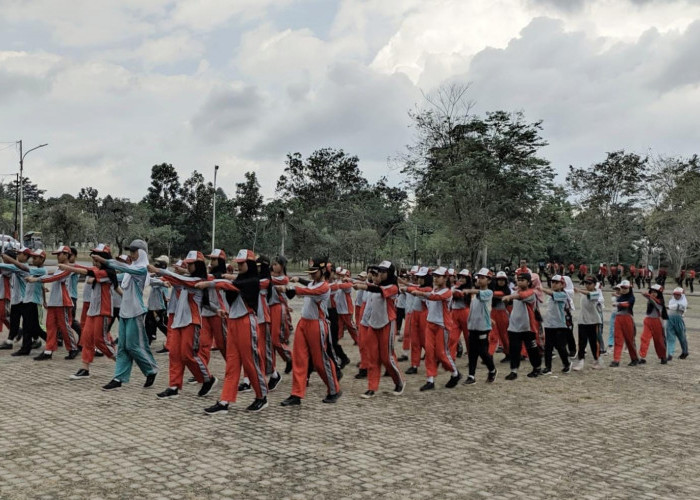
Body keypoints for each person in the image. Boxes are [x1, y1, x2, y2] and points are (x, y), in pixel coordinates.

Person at [201, 249, 269, 415]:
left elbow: (230, 285)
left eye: (242, 263)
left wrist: (210, 283)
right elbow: (230, 284)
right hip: (233, 322)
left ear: (250, 264)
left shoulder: (253, 280)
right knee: (231, 364)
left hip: (247, 322)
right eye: (237, 263)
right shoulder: (240, 279)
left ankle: (262, 396)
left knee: (251, 363)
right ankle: (224, 401)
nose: (239, 266)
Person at [149, 250, 218, 399]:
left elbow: (179, 279)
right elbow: (175, 279)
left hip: (192, 322)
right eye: (188, 263)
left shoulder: (198, 281)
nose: (189, 266)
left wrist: (160, 270)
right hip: (179, 321)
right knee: (174, 354)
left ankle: (208, 379)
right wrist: (157, 274)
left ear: (198, 265)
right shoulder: (186, 278)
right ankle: (173, 386)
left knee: (188, 355)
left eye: (191, 264)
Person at [96, 239, 159, 391]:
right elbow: (112, 276)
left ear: (142, 252)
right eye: (130, 251)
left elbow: (124, 269)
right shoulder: (129, 271)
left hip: (136, 311)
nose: (131, 254)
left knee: (134, 345)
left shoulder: (142, 269)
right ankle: (119, 378)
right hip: (125, 311)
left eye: (134, 251)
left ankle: (151, 369)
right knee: (123, 346)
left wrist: (106, 261)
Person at [279, 257, 342, 407]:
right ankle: (296, 394)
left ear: (322, 271)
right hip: (303, 323)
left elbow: (309, 290)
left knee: (321, 361)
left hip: (317, 325)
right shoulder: (314, 283)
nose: (312, 275)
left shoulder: (324, 287)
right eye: (311, 272)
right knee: (299, 359)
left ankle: (334, 390)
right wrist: (297, 282)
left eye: (314, 272)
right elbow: (308, 286)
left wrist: (291, 288)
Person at [59, 244, 118, 380]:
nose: (94, 258)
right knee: (87, 339)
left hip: (103, 310)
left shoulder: (107, 273)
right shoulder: (98, 269)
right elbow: (85, 268)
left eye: (97, 256)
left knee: (100, 340)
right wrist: (69, 264)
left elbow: (88, 273)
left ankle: (120, 362)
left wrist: (67, 267)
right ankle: (85, 369)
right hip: (93, 310)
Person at [352, 260, 404, 398]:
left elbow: (379, 290)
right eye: (378, 271)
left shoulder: (393, 287)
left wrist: (363, 286)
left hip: (387, 324)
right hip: (372, 325)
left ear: (390, 273)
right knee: (372, 357)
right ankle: (372, 387)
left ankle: (398, 382)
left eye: (382, 272)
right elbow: (371, 290)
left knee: (387, 358)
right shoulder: (373, 286)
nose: (379, 274)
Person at [410, 266, 461, 391]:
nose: (436, 279)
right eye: (435, 276)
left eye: (438, 277)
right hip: (430, 324)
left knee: (441, 353)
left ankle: (455, 373)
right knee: (429, 353)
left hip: (442, 326)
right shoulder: (434, 290)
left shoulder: (447, 292)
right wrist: (408, 289)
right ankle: (430, 379)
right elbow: (426, 294)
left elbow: (435, 297)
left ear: (445, 278)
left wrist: (419, 293)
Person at [26, 245, 80, 360]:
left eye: (59, 254)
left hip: (63, 302)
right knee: (50, 327)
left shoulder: (68, 268)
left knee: (65, 327)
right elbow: (51, 275)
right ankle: (48, 351)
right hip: (54, 302)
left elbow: (56, 277)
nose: (57, 257)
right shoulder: (59, 268)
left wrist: (36, 279)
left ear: (66, 255)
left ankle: (73, 348)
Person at [0, 248, 47, 356]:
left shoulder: (26, 268)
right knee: (27, 325)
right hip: (24, 300)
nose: (17, 255)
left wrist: (9, 259)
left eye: (20, 254)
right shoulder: (30, 268)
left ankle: (48, 341)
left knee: (30, 326)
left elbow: (14, 267)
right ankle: (27, 346)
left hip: (27, 300)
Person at [501, 272, 542, 380]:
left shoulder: (531, 293)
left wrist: (509, 296)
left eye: (522, 280)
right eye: (518, 280)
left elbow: (521, 296)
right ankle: (513, 371)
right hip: (514, 326)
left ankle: (537, 368)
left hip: (527, 327)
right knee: (514, 349)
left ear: (528, 282)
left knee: (532, 349)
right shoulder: (515, 292)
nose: (519, 282)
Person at [461, 268, 497, 384]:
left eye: (483, 278)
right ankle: (471, 376)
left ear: (489, 281)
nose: (480, 280)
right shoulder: (474, 294)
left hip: (483, 327)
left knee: (483, 352)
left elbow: (480, 294)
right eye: (479, 277)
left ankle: (492, 370)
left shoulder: (488, 293)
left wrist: (469, 290)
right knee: (472, 352)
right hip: (473, 326)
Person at [540, 275, 572, 375]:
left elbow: (552, 294)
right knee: (548, 347)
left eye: (556, 282)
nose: (553, 284)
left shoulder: (563, 295)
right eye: (552, 282)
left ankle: (566, 364)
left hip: (560, 325)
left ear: (562, 284)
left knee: (560, 346)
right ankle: (548, 368)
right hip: (549, 324)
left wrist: (540, 288)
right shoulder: (551, 296)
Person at [403, 267, 431, 375]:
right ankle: (414, 365)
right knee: (415, 341)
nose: (419, 279)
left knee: (425, 341)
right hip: (415, 314)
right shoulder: (419, 287)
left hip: (424, 315)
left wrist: (407, 289)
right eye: (418, 277)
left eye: (422, 277)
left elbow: (415, 291)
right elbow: (413, 288)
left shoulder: (428, 289)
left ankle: (434, 358)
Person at [269, 255, 293, 376]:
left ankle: (290, 357)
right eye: (273, 264)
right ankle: (271, 367)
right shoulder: (272, 277)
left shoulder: (283, 279)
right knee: (269, 340)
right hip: (269, 308)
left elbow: (269, 280)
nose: (273, 266)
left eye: (276, 264)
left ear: (282, 266)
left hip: (279, 308)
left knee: (276, 340)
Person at [572, 276, 603, 370]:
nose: (587, 285)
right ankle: (581, 361)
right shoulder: (583, 293)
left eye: (589, 283)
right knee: (582, 343)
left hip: (593, 321)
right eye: (586, 283)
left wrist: (579, 290)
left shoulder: (596, 294)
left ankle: (597, 360)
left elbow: (589, 294)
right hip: (582, 321)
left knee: (594, 343)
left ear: (594, 284)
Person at [610, 280, 639, 367]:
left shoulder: (631, 298)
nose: (623, 289)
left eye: (625, 288)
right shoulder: (621, 297)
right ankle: (616, 360)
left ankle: (634, 358)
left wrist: (619, 303)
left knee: (629, 340)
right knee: (617, 338)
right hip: (618, 318)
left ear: (629, 288)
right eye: (622, 287)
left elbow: (627, 304)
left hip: (627, 318)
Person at [638, 284, 668, 365]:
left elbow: (655, 302)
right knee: (644, 338)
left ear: (659, 293)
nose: (653, 293)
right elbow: (652, 300)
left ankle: (663, 356)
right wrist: (648, 296)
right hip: (648, 320)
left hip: (657, 322)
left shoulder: (659, 302)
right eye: (652, 291)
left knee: (659, 341)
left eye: (655, 292)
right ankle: (642, 357)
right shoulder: (650, 299)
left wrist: (648, 296)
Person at [145, 255, 170, 346]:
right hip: (153, 304)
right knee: (148, 323)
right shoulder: (158, 275)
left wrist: (151, 276)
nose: (156, 264)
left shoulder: (165, 275)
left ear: (164, 265)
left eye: (159, 262)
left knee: (161, 324)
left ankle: (172, 340)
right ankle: (148, 341)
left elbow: (154, 283)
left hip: (160, 304)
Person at [489, 271, 511, 361]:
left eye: (503, 280)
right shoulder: (492, 289)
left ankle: (508, 353)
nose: (501, 282)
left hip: (502, 314)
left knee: (504, 336)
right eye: (499, 280)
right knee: (492, 335)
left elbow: (502, 295)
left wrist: (493, 294)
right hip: (493, 313)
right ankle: (489, 354)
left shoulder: (507, 290)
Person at [666, 287, 688, 360]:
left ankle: (685, 352)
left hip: (679, 319)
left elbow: (678, 306)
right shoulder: (672, 300)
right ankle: (670, 354)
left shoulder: (684, 302)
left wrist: (668, 307)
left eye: (678, 295)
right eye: (675, 294)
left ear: (681, 295)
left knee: (682, 337)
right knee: (670, 337)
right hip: (670, 319)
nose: (676, 296)